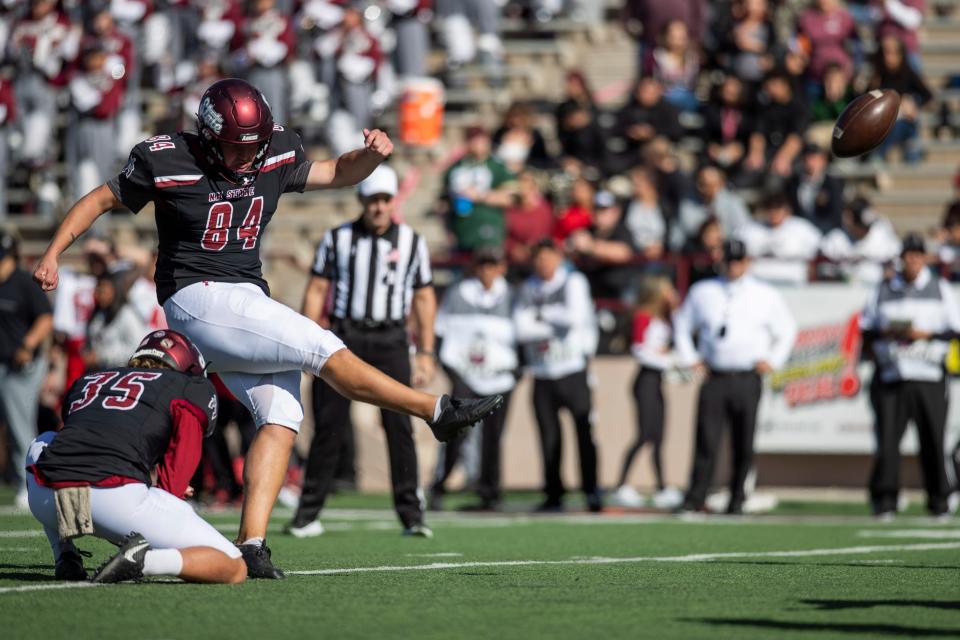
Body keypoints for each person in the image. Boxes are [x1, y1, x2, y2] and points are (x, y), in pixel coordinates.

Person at [32, 78, 502, 579]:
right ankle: (434, 410)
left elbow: (339, 172)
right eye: (236, 148)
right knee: (321, 347)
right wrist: (53, 251)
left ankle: (252, 544)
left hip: (246, 295)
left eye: (253, 146)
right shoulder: (165, 157)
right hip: (196, 294)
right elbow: (101, 200)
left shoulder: (275, 148)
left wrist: (373, 156)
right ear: (209, 136)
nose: (247, 157)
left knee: (282, 411)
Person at [25, 329, 247, 584]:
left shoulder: (91, 379)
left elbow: (82, 442)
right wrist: (162, 499)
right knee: (233, 566)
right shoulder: (186, 386)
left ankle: (64, 554)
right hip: (115, 501)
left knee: (43, 441)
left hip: (47, 498)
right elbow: (174, 481)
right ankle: (143, 561)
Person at [287, 165, 438, 538]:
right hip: (344, 338)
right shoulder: (337, 239)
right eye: (373, 200)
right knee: (328, 426)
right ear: (362, 201)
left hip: (391, 339)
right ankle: (308, 514)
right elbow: (317, 289)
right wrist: (308, 340)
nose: (379, 208)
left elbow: (423, 297)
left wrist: (426, 351)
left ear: (393, 202)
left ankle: (412, 515)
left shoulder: (412, 243)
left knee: (399, 426)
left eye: (385, 200)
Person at [674, 239, 796, 514]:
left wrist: (773, 360)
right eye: (729, 260)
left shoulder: (764, 293)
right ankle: (695, 497)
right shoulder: (703, 291)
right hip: (714, 376)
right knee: (706, 438)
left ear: (747, 262)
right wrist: (691, 359)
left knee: (744, 440)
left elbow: (787, 329)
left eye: (739, 260)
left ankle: (737, 498)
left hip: (747, 375)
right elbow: (682, 326)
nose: (734, 265)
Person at [860, 234, 960, 519]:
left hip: (928, 374)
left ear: (924, 258)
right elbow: (867, 329)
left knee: (932, 440)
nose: (912, 261)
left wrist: (925, 335)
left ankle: (940, 500)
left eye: (917, 255)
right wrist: (889, 333)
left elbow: (955, 329)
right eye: (907, 255)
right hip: (892, 375)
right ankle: (884, 500)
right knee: (888, 442)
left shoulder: (939, 287)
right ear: (900, 258)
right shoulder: (883, 289)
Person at [514, 238, 601, 512]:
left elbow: (574, 318)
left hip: (572, 369)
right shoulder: (529, 287)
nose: (544, 263)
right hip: (542, 372)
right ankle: (554, 493)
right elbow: (521, 329)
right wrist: (552, 322)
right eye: (539, 258)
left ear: (558, 257)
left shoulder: (573, 282)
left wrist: (541, 317)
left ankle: (591, 491)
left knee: (583, 432)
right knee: (549, 437)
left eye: (548, 257)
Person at [430, 247, 517, 511]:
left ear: (502, 267)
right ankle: (440, 486)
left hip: (500, 377)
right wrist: (453, 370)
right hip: (465, 374)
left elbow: (521, 336)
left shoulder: (513, 296)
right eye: (483, 264)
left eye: (493, 264)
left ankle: (490, 491)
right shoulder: (458, 293)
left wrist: (514, 371)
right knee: (456, 432)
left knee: (494, 436)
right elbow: (441, 331)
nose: (487, 271)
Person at [612, 276, 681, 510]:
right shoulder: (643, 316)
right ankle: (621, 486)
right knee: (643, 435)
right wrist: (668, 360)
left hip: (658, 381)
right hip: (645, 382)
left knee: (659, 437)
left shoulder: (667, 317)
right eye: (667, 290)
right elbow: (639, 350)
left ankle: (662, 487)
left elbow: (677, 340)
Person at [0, 231, 53, 509]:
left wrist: (28, 344)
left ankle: (29, 483)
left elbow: (45, 318)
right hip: (2, 364)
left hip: (21, 366)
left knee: (21, 426)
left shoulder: (23, 283)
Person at [444, 126, 516, 252]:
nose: (477, 144)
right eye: (473, 140)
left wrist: (480, 196)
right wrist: (448, 230)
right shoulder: (455, 168)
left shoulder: (497, 166)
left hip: (490, 231)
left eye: (481, 140)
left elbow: (511, 198)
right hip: (463, 232)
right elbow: (444, 203)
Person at [736, 192, 822, 285]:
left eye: (778, 209)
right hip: (758, 279)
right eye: (770, 209)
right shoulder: (750, 229)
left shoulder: (802, 228)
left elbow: (817, 252)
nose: (774, 213)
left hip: (793, 277)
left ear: (786, 210)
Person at [819, 197, 901, 284]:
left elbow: (896, 263)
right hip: (843, 290)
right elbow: (823, 268)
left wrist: (889, 273)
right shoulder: (836, 238)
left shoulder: (882, 234)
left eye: (867, 227)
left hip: (876, 288)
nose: (864, 231)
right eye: (860, 227)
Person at [84, 272, 149, 371]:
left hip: (121, 373)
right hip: (98, 373)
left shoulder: (126, 314)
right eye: (98, 290)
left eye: (104, 291)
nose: (99, 295)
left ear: (115, 291)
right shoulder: (98, 314)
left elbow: (136, 347)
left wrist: (102, 356)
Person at [786, 142, 844, 234]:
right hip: (801, 231)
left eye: (814, 159)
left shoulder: (832, 183)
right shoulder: (794, 183)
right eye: (807, 159)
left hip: (826, 230)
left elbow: (836, 214)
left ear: (823, 161)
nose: (810, 163)